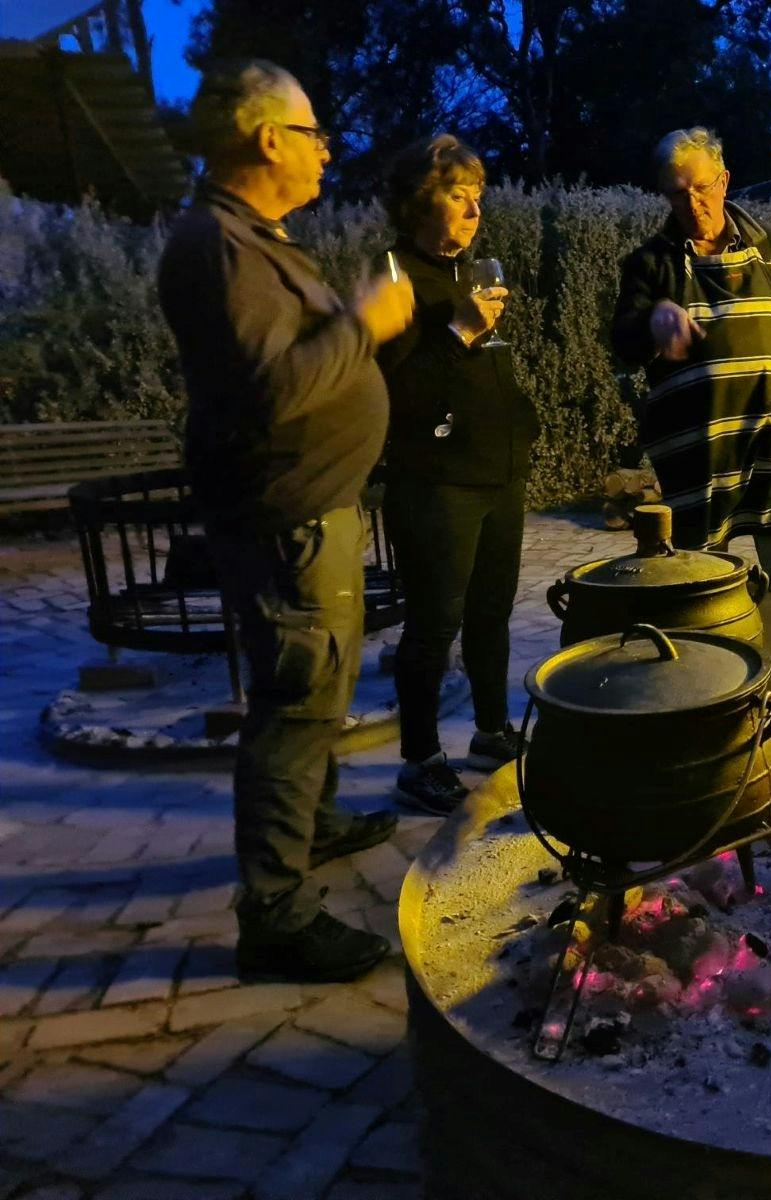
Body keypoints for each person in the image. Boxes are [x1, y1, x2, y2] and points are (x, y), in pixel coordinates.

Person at [158, 60, 415, 981]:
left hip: (308, 512)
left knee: (319, 687)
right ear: (269, 140)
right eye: (312, 132)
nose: (326, 148)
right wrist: (367, 323)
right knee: (296, 704)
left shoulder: (253, 240)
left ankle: (313, 821)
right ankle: (274, 913)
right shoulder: (219, 248)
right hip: (287, 519)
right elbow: (272, 396)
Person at [611, 127, 771, 659]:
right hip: (697, 448)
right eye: (676, 193)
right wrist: (653, 322)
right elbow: (623, 341)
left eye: (702, 188)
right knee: (703, 575)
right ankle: (715, 679)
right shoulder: (650, 262)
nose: (692, 203)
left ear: (725, 179)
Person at [377, 135, 537, 815]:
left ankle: (491, 732)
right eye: (455, 192)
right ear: (420, 200)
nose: (474, 206)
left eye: (478, 192)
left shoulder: (468, 270)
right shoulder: (391, 277)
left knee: (491, 611)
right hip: (435, 480)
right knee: (434, 623)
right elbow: (393, 388)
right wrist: (458, 331)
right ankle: (419, 759)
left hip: (497, 474)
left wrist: (523, 423)